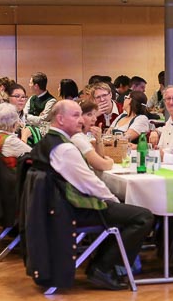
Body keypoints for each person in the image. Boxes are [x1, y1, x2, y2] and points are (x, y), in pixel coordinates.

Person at [30, 100, 153, 290]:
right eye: (76, 115)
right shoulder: (65, 149)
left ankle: (102, 264)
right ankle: (103, 267)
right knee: (143, 217)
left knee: (126, 211)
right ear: (60, 119)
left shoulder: (48, 142)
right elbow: (89, 184)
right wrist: (114, 202)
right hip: (71, 210)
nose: (81, 120)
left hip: (56, 207)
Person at [0, 102, 32, 169]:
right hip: (11, 174)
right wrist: (25, 136)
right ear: (13, 123)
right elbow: (32, 155)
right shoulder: (10, 140)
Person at [72, 100, 114, 171]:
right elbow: (102, 165)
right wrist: (111, 162)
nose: (95, 119)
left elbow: (100, 157)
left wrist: (98, 139)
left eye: (95, 114)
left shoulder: (83, 136)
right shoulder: (77, 138)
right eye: (89, 115)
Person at [149, 85, 173, 155]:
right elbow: (159, 148)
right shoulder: (169, 122)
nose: (171, 102)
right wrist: (155, 131)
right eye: (168, 98)